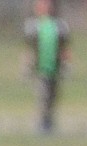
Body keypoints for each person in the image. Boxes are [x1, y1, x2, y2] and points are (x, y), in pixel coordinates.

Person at [23, 0, 70, 135]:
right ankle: (42, 122)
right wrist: (26, 66)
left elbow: (64, 47)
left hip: (55, 67)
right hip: (40, 68)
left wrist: (67, 64)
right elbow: (28, 48)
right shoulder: (33, 26)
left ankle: (49, 120)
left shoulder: (59, 26)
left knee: (53, 95)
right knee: (43, 95)